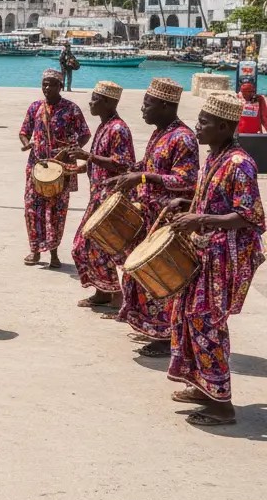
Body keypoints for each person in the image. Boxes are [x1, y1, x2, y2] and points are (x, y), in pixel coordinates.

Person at [165, 92, 265, 426]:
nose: (198, 127)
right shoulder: (215, 157)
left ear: (224, 126)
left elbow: (251, 217)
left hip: (226, 260)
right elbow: (211, 201)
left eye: (205, 123)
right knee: (188, 317)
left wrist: (201, 220)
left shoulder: (240, 164)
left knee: (207, 323)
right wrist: (188, 207)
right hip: (206, 252)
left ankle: (222, 405)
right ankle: (203, 385)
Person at [107, 78, 198, 356]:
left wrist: (144, 176)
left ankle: (165, 337)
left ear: (166, 105)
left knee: (163, 281)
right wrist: (131, 173)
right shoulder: (160, 133)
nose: (143, 109)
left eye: (148, 104)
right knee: (138, 275)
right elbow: (150, 165)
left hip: (167, 223)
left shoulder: (182, 137)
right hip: (148, 218)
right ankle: (153, 329)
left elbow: (186, 179)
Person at [65, 81, 135, 309]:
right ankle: (103, 292)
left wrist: (88, 157)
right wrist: (82, 167)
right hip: (97, 195)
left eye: (95, 99)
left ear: (107, 102)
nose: (91, 102)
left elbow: (124, 164)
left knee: (88, 245)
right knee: (92, 247)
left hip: (109, 199)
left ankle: (115, 294)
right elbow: (103, 158)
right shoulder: (105, 125)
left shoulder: (118, 129)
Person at [19, 69, 91, 268]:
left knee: (56, 212)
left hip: (62, 168)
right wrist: (27, 143)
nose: (47, 88)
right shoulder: (35, 107)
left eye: (51, 84)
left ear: (60, 86)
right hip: (38, 166)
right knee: (32, 209)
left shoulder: (71, 109)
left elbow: (85, 133)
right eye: (44, 84)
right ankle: (34, 251)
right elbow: (24, 131)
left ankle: (54, 254)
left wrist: (73, 150)